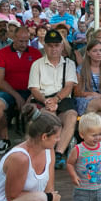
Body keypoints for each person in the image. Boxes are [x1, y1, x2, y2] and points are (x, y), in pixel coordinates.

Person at [27, 29, 78, 169]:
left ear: (62, 46)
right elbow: (34, 89)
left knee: (72, 116)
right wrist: (46, 101)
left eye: (56, 45)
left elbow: (69, 86)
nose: (54, 49)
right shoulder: (37, 64)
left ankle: (59, 153)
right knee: (49, 116)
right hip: (43, 98)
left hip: (61, 97)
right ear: (44, 45)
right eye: (50, 45)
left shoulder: (69, 63)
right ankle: (48, 154)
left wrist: (56, 99)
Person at [0, 27, 43, 155]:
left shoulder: (35, 53)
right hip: (10, 90)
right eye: (20, 41)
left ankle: (35, 142)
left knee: (41, 109)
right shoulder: (2, 53)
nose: (24, 44)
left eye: (26, 41)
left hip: (32, 90)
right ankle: (4, 139)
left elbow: (42, 77)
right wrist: (16, 96)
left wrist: (31, 95)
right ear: (13, 38)